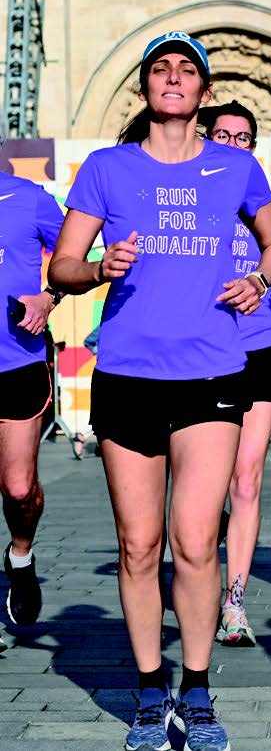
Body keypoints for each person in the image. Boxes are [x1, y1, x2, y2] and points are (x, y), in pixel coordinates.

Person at [47, 31, 271, 751]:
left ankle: (198, 685)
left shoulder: (234, 166)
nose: (174, 78)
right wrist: (97, 269)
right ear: (146, 89)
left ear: (203, 91)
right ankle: (150, 688)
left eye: (188, 69)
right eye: (162, 69)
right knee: (137, 543)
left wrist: (258, 279)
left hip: (213, 373)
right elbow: (61, 266)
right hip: (126, 374)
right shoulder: (107, 168)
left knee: (193, 540)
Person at [200, 100, 271, 646]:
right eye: (224, 135)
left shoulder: (268, 202)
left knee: (246, 477)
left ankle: (233, 600)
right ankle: (198, 578)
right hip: (200, 352)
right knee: (204, 486)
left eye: (244, 137)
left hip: (258, 347)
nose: (234, 144)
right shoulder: (185, 198)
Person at [0, 170, 65, 644]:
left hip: (17, 362)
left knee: (19, 489)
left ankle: (20, 556)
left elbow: (78, 257)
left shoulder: (29, 198)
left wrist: (49, 296)